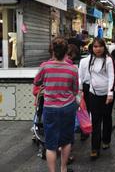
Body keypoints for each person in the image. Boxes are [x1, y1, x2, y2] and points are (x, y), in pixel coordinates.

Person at [33, 37, 78, 172]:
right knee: (66, 141)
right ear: (66, 52)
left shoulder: (44, 66)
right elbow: (75, 90)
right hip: (67, 108)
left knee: (51, 144)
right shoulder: (73, 69)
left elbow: (36, 82)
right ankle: (63, 168)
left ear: (52, 51)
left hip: (50, 108)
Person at [78, 38, 115, 159]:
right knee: (95, 120)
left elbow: (111, 76)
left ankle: (106, 139)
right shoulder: (89, 60)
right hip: (93, 94)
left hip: (107, 95)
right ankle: (95, 147)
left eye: (99, 46)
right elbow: (84, 75)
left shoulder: (108, 60)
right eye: (95, 47)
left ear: (104, 47)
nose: (97, 49)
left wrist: (110, 93)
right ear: (91, 48)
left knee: (107, 117)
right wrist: (81, 90)